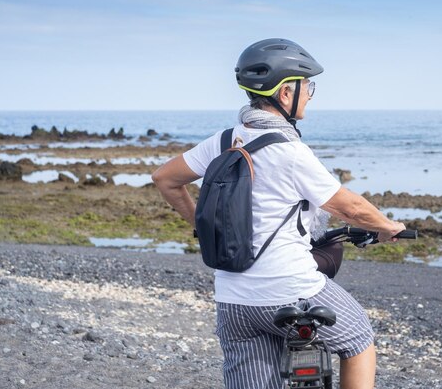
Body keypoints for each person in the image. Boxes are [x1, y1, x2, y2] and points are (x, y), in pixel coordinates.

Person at [152, 38, 406, 389]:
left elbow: (165, 179)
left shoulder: (224, 140)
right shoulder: (290, 151)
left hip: (233, 301)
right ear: (286, 93)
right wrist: (387, 225)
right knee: (358, 340)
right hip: (290, 289)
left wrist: (206, 224)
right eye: (307, 87)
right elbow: (347, 206)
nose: (311, 95)